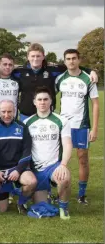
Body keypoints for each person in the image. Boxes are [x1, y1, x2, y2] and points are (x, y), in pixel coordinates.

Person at [55, 49, 99, 205]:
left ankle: (81, 194)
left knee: (83, 160)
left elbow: (95, 104)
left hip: (81, 125)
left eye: (74, 58)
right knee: (59, 160)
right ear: (65, 61)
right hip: (63, 126)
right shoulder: (60, 79)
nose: (71, 61)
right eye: (68, 59)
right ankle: (59, 192)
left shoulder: (88, 79)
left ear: (79, 60)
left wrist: (94, 129)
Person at [24, 87, 72, 220]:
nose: (42, 102)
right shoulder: (27, 123)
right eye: (39, 99)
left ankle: (63, 208)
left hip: (54, 166)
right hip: (36, 169)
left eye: (46, 99)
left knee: (65, 178)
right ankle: (45, 194)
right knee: (41, 205)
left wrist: (63, 164)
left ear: (51, 101)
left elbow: (68, 144)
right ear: (34, 102)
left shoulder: (62, 121)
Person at [0, 100, 36, 214]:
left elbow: (27, 151)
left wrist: (18, 170)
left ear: (15, 111)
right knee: (2, 209)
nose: (7, 115)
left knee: (31, 182)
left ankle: (21, 203)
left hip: (18, 168)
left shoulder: (22, 127)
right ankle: (8, 191)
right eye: (3, 112)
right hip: (1, 171)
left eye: (10, 112)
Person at [0, 54, 19, 122]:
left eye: (10, 65)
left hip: (12, 120)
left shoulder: (17, 80)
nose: (7, 67)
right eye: (5, 64)